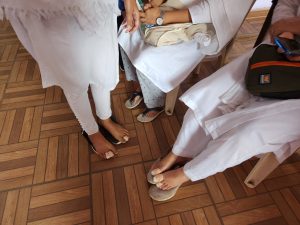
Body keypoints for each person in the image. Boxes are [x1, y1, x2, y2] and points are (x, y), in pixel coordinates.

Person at [147, 0, 300, 201]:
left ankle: (187, 173)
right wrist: (284, 29)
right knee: (211, 93)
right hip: (282, 52)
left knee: (249, 132)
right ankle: (180, 151)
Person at [0, 0, 140, 159]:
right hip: (48, 11)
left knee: (101, 64)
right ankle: (92, 131)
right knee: (72, 77)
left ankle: (105, 117)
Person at [119, 0, 255, 122]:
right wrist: (157, 2)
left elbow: (212, 9)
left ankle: (155, 102)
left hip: (206, 23)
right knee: (127, 30)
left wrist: (161, 17)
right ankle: (141, 86)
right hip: (180, 5)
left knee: (148, 57)